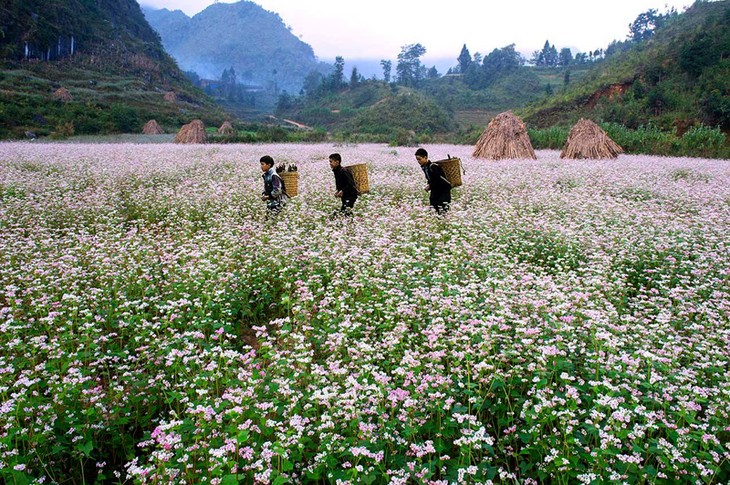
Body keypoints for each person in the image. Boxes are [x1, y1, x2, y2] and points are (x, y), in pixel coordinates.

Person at [415, 148, 451, 214]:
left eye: (419, 159)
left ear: (425, 157)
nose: (418, 161)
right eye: (417, 159)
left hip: (443, 192)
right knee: (434, 211)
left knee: (442, 212)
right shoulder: (425, 167)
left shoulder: (433, 167)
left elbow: (438, 180)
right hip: (436, 192)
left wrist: (429, 186)